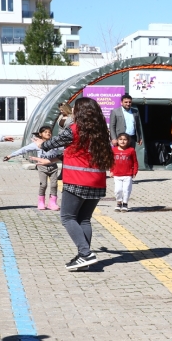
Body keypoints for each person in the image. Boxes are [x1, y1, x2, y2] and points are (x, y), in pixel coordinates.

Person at [34, 97, 114, 270]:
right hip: (97, 181)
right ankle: (83, 257)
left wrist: (41, 143)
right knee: (84, 219)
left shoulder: (74, 129)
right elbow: (79, 152)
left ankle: (85, 253)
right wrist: (52, 160)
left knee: (67, 217)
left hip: (77, 180)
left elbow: (51, 144)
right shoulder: (101, 131)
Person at [3, 126, 63, 211]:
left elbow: (65, 148)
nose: (48, 133)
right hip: (42, 167)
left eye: (49, 132)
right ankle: (41, 202)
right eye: (45, 132)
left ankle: (52, 203)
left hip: (53, 166)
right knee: (43, 184)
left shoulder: (55, 143)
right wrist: (10, 155)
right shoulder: (37, 144)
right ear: (40, 134)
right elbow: (23, 150)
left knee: (54, 185)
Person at [110, 133, 138, 212]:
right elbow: (111, 161)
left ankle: (125, 203)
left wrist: (134, 172)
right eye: (120, 139)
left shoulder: (131, 150)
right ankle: (119, 202)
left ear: (128, 141)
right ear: (117, 141)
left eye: (125, 139)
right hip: (117, 174)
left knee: (126, 190)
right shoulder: (114, 150)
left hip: (128, 174)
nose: (122, 141)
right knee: (118, 190)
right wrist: (111, 171)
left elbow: (135, 162)